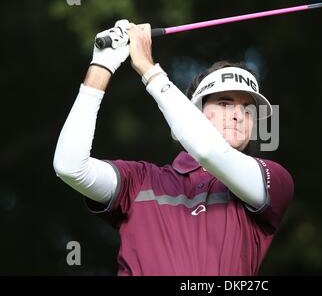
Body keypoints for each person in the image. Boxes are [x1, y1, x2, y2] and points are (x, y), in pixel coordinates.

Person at [53, 20, 294, 276]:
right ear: (197, 112)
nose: (238, 115)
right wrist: (101, 66)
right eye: (225, 104)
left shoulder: (273, 180)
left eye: (247, 109)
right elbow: (70, 167)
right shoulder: (140, 181)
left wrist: (148, 69)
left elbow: (208, 152)